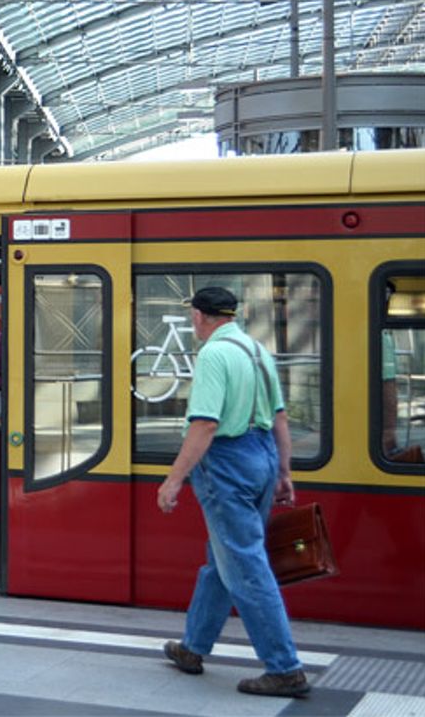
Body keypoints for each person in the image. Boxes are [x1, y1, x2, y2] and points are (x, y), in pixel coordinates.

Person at [156, 286, 308, 698]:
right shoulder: (257, 352)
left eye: (193, 318)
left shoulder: (213, 355)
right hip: (261, 456)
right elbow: (279, 417)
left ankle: (284, 667)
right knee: (222, 560)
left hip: (228, 462)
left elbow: (204, 425)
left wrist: (174, 479)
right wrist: (283, 470)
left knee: (245, 565)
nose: (193, 324)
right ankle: (192, 648)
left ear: (201, 317)